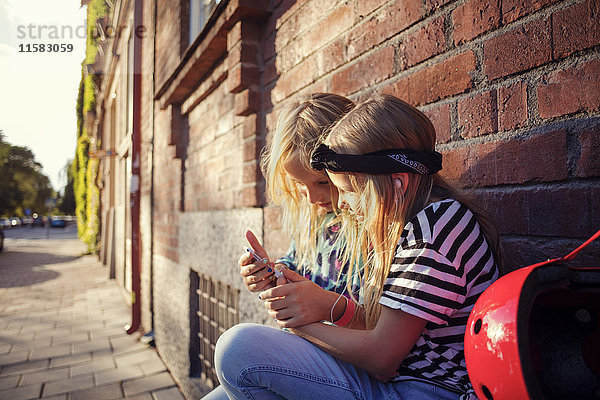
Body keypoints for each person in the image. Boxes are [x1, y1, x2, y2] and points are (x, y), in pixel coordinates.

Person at [212, 94, 503, 400]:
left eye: (346, 190)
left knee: (239, 348)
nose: (343, 204)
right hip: (399, 380)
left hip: (428, 389)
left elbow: (382, 358)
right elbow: (382, 329)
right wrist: (299, 292)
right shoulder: (414, 224)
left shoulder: (434, 228)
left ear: (397, 183)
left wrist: (299, 321)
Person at [202, 93, 363, 400]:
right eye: (300, 186)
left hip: (346, 364)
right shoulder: (317, 221)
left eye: (320, 182)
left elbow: (380, 327)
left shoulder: (368, 220)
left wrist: (323, 305)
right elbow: (296, 264)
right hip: (311, 351)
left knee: (237, 350)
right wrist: (271, 272)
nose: (312, 197)